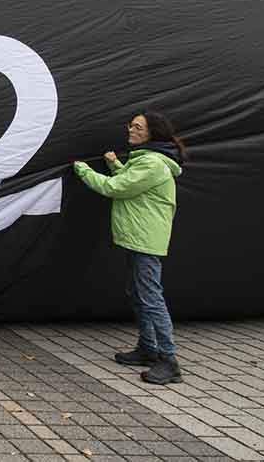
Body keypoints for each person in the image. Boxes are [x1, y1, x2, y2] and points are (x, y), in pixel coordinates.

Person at [73, 110, 185, 385]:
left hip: (145, 240)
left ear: (151, 134)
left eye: (137, 127)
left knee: (150, 297)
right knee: (138, 293)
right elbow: (132, 183)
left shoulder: (153, 164)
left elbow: (116, 188)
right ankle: (148, 348)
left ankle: (169, 361)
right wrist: (114, 164)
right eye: (131, 125)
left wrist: (82, 169)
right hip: (138, 238)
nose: (130, 130)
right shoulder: (148, 161)